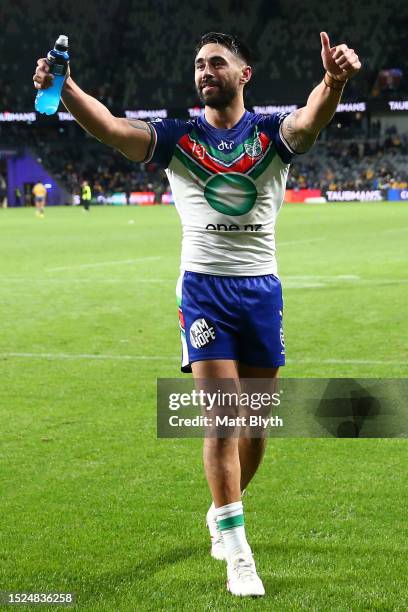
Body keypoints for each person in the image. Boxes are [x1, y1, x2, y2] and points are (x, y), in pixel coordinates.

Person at [33, 30, 361, 597]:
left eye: (216, 63)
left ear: (244, 74)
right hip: (204, 293)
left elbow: (309, 122)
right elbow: (113, 129)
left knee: (255, 428)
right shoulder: (178, 138)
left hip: (260, 292)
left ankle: (222, 509)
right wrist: (66, 88)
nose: (204, 71)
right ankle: (238, 552)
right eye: (197, 65)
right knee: (225, 419)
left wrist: (332, 83)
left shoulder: (269, 134)